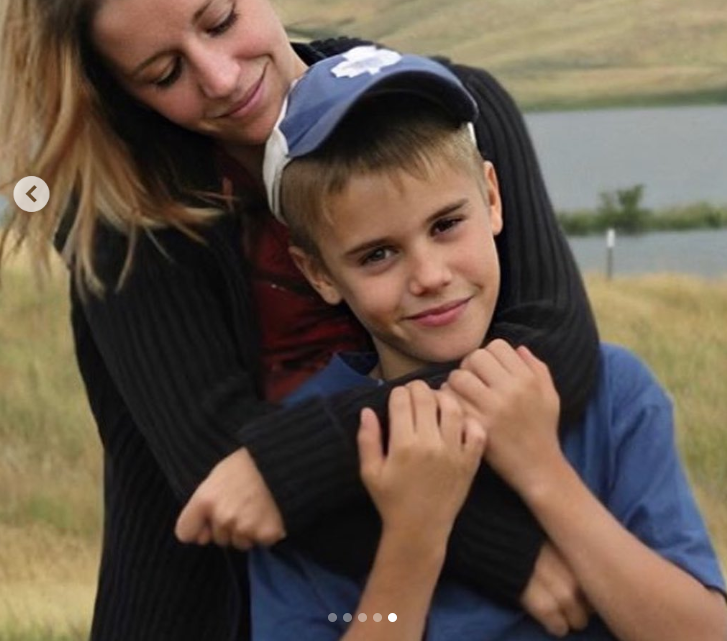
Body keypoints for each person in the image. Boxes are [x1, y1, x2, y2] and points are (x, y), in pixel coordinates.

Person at [0, 0, 601, 641]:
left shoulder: (452, 108)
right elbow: (219, 476)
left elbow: (554, 349)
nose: (218, 78)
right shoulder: (125, 218)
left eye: (219, 21)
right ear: (122, 90)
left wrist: (290, 459)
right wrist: (508, 554)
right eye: (163, 72)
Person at [197, 49, 723, 640]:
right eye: (377, 254)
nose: (429, 274)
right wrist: (414, 535)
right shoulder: (306, 464)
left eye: (446, 224)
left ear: (493, 198)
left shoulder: (613, 393)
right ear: (317, 272)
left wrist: (543, 471)